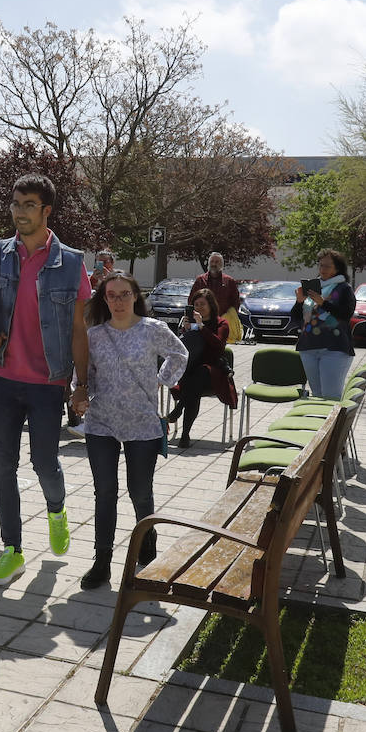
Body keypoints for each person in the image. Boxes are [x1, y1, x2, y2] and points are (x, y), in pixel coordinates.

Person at [0, 174, 91, 586]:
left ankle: (56, 509)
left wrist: (81, 383)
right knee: (2, 465)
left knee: (44, 461)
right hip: (4, 378)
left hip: (47, 382)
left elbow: (79, 329)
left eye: (28, 205)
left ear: (46, 211)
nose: (19, 212)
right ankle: (12, 550)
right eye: (15, 204)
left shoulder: (73, 263)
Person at [73, 272, 187, 589]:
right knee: (105, 492)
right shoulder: (94, 335)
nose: (119, 301)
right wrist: (81, 393)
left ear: (136, 296)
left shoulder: (153, 330)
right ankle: (102, 560)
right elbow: (84, 373)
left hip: (142, 423)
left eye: (125, 294)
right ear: (104, 299)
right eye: (112, 295)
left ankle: (146, 542)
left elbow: (180, 353)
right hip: (102, 422)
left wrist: (163, 379)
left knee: (140, 491)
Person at [166, 288, 237, 448]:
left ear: (211, 305)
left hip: (213, 372)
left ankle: (178, 410)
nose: (199, 308)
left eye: (202, 304)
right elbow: (182, 348)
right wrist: (185, 330)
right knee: (193, 385)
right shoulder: (190, 323)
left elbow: (218, 345)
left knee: (200, 374)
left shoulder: (221, 323)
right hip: (192, 370)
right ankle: (185, 434)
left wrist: (201, 326)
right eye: (196, 305)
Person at [293, 248, 356, 399]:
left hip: (335, 349)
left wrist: (323, 303)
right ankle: (319, 423)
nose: (322, 269)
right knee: (317, 395)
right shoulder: (313, 287)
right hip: (308, 347)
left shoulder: (344, 289)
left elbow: (346, 315)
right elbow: (296, 318)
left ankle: (335, 423)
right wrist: (299, 302)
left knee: (330, 396)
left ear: (337, 268)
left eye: (327, 266)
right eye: (320, 265)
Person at [189, 252, 243, 343]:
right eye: (212, 261)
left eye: (217, 262)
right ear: (209, 263)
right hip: (202, 320)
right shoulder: (200, 280)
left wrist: (231, 316)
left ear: (222, 264)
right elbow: (191, 300)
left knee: (218, 343)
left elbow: (235, 302)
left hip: (221, 321)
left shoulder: (229, 281)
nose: (214, 264)